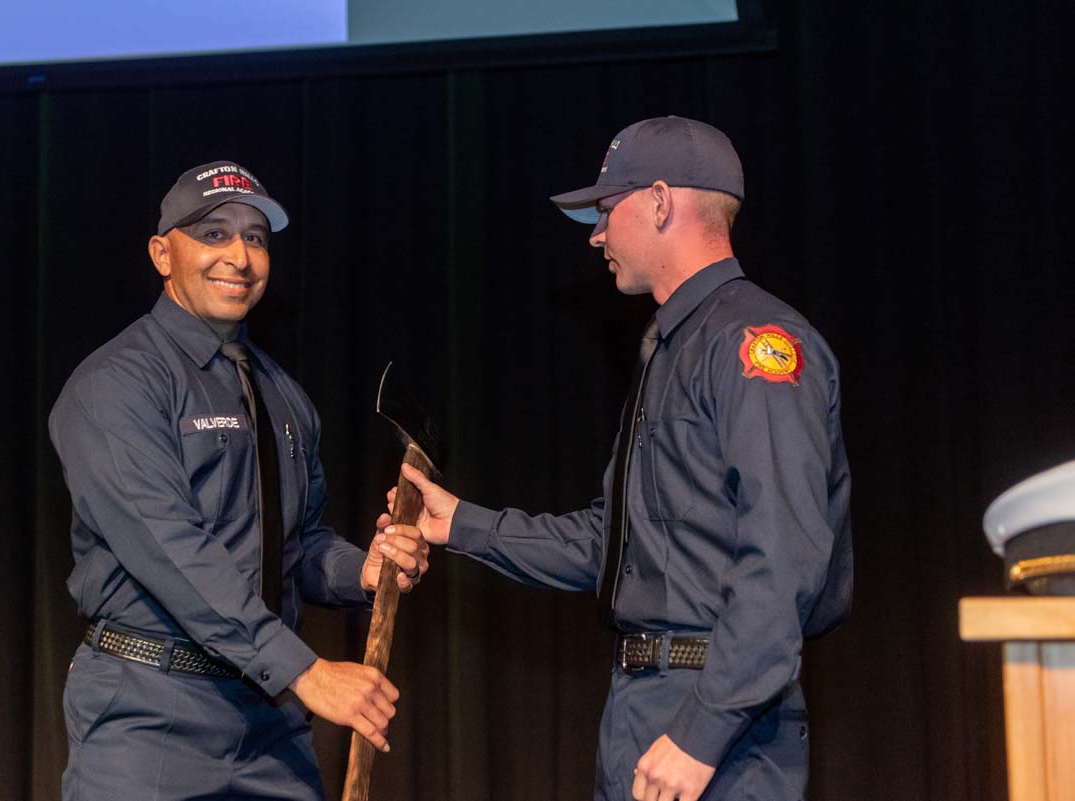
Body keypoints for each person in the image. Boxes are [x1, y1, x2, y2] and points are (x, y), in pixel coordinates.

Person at [384, 116, 852, 801]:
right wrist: (460, 524)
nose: (596, 234)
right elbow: (615, 544)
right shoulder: (669, 348)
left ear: (660, 202)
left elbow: (783, 561)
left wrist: (702, 731)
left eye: (606, 210)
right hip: (642, 704)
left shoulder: (755, 344)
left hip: (722, 720)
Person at [50, 160, 429, 801]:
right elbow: (171, 551)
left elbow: (300, 544)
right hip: (151, 714)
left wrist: (364, 572)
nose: (240, 256)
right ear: (162, 254)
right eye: (214, 234)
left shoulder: (284, 395)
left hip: (269, 723)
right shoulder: (115, 384)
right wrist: (305, 671)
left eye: (255, 237)